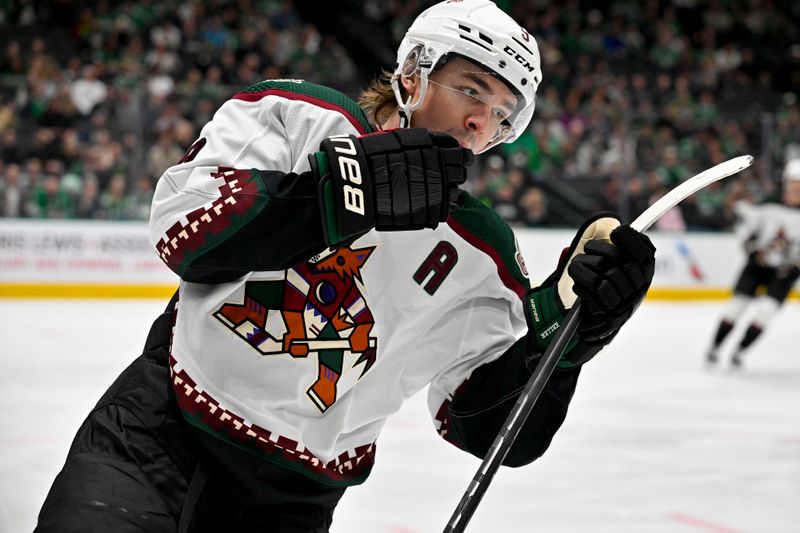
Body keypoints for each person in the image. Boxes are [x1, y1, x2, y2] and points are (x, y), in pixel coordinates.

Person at [36, 2, 656, 531]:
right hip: (154, 433)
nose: (480, 122)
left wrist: (570, 332)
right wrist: (343, 192)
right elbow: (184, 238)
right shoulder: (301, 117)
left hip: (289, 506)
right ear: (413, 76)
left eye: (501, 115)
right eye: (471, 90)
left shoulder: (481, 252)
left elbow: (491, 430)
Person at [705, 159, 800, 368]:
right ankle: (715, 348)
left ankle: (739, 351)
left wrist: (795, 265)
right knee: (735, 308)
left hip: (785, 273)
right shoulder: (767, 204)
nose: (796, 188)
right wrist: (753, 250)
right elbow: (744, 230)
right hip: (757, 267)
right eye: (793, 183)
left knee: (765, 312)